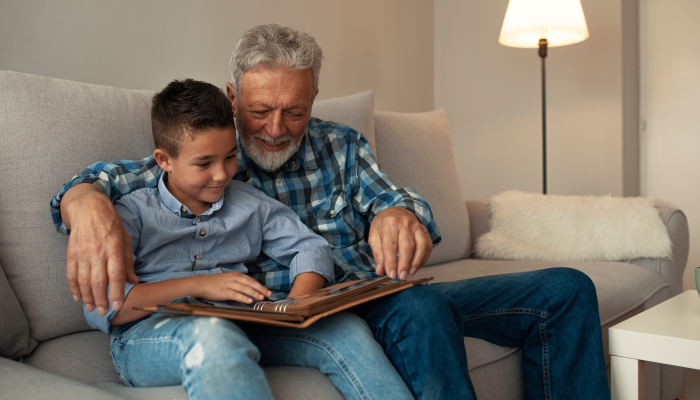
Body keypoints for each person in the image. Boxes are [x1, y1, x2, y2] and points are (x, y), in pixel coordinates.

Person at [52, 24, 610, 399]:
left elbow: (395, 203)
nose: (275, 128)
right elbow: (115, 182)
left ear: (314, 97)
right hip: (294, 315)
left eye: (294, 110)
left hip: (366, 294)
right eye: (261, 109)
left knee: (565, 288)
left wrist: (399, 214)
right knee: (419, 309)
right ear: (232, 96)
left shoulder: (340, 145)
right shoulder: (212, 156)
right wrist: (85, 203)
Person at [84, 77, 417, 400]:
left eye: (230, 156)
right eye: (204, 163)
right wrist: (200, 285)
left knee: (346, 330)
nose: (222, 174)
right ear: (164, 160)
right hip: (150, 334)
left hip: (244, 322)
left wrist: (296, 305)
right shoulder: (132, 213)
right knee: (214, 336)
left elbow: (310, 247)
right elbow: (107, 308)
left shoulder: (249, 204)